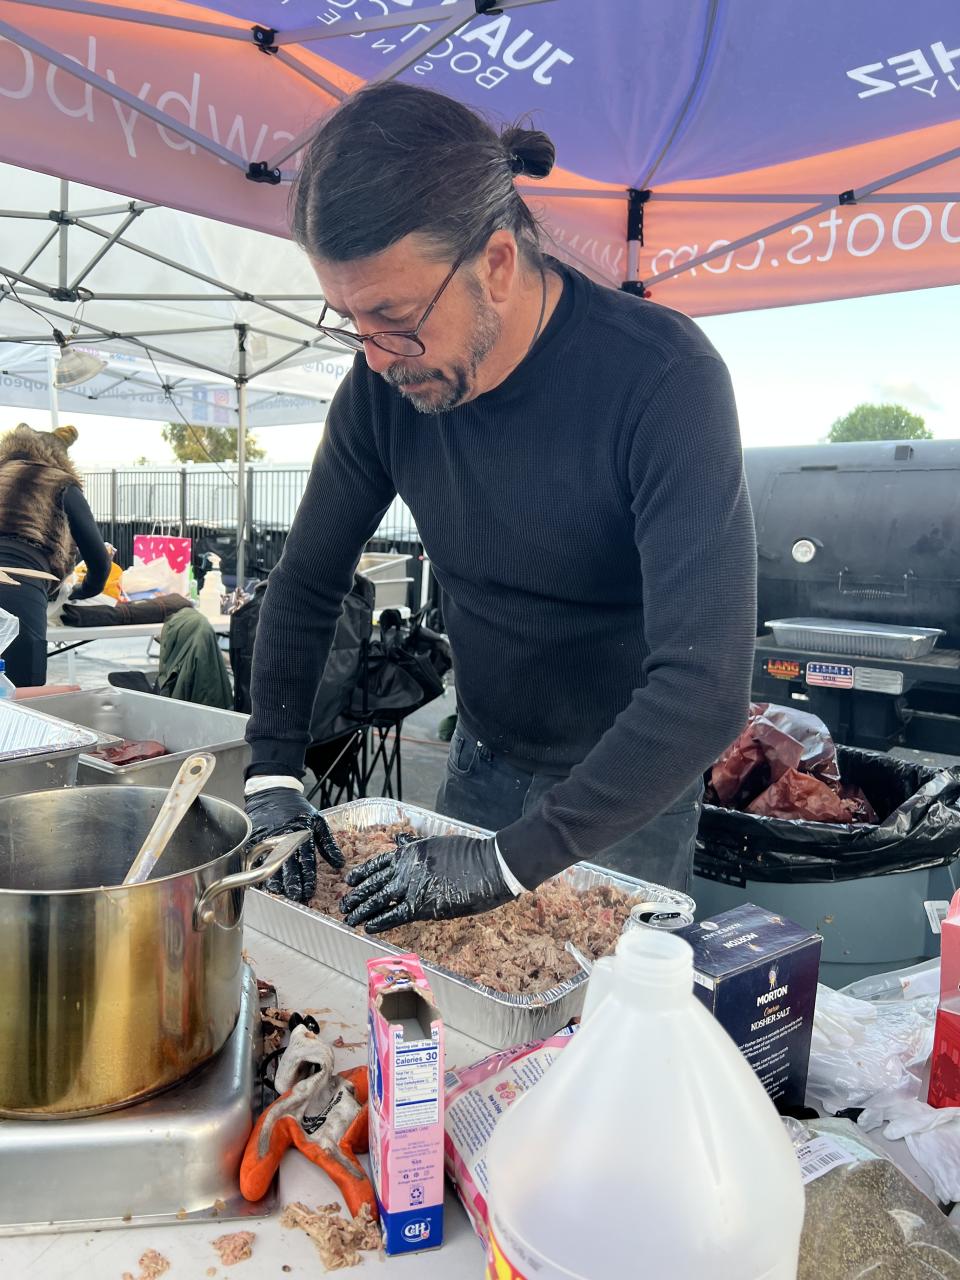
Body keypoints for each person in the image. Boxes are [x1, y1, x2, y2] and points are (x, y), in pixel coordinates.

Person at [244, 84, 756, 931]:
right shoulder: (382, 391)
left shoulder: (664, 381)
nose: (374, 359)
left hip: (624, 794)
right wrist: (271, 777)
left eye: (395, 319)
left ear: (497, 264)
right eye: (351, 322)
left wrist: (510, 862)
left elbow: (706, 687)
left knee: (588, 1041)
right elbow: (304, 588)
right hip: (479, 756)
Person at [0, 423, 110, 686]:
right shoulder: (61, 484)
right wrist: (84, 590)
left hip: (20, 586)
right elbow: (98, 559)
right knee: (22, 707)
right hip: (21, 593)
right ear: (62, 458)